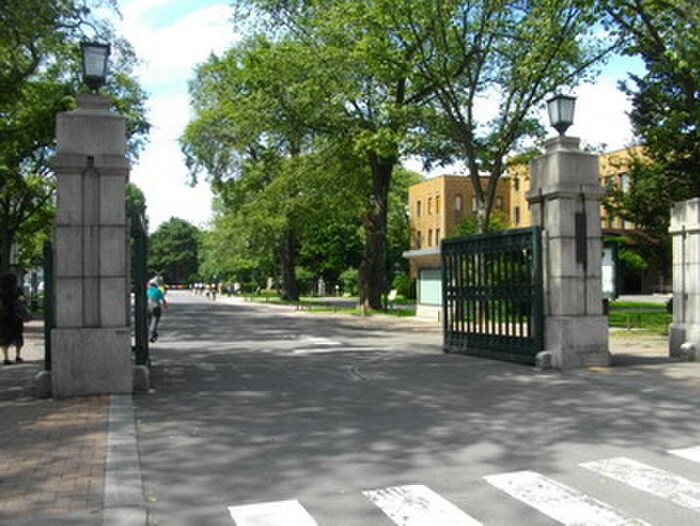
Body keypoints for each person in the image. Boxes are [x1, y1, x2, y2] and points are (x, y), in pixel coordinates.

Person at [0, 272, 25, 365]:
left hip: (3, 317)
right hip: (16, 316)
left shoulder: (1, 290)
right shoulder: (17, 289)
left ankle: (6, 358)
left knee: (4, 337)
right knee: (18, 336)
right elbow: (22, 299)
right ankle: (17, 356)